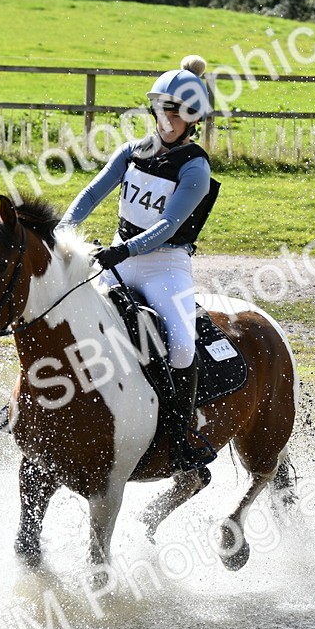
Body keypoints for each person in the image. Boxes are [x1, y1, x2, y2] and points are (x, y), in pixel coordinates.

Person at [57, 55, 220, 472]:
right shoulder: (132, 151)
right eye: (161, 111)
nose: (166, 121)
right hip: (117, 256)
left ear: (192, 119)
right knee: (60, 312)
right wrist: (62, 232)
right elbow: (91, 195)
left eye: (176, 114)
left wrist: (124, 252)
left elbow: (167, 226)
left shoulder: (196, 167)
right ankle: (27, 403)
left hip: (164, 266)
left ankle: (183, 433)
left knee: (182, 346)